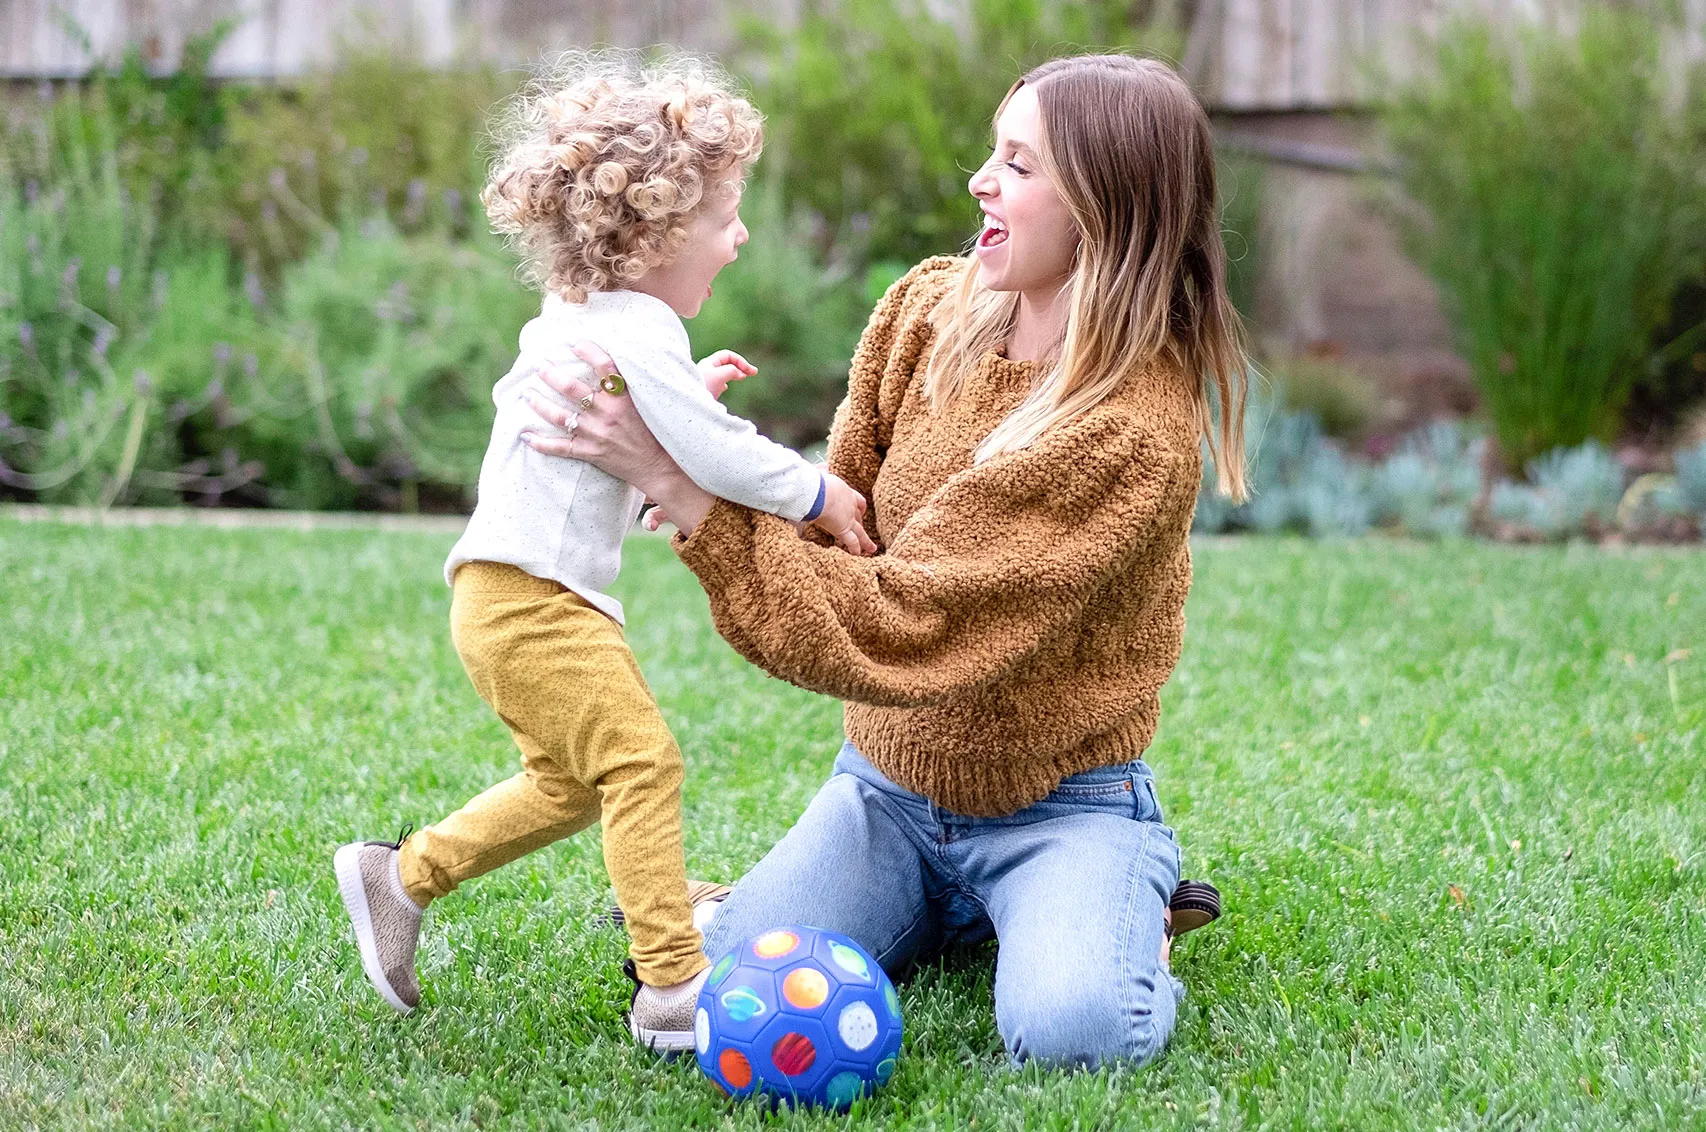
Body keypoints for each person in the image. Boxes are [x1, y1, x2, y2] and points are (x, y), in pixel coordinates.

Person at [526, 52, 1246, 1068]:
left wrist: (678, 487)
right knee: (709, 989)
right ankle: (936, 911)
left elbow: (904, 624)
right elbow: (842, 526)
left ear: (1107, 206)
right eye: (991, 153)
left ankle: (1127, 912)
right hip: (885, 792)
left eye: (1019, 165)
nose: (979, 182)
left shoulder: (1127, 433)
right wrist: (698, 446)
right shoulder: (925, 312)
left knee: (1077, 1034)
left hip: (1061, 808)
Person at [330, 50, 875, 1050]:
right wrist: (818, 491)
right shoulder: (638, 327)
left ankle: (398, 878)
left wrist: (680, 398)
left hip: (504, 598)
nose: (741, 237)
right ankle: (671, 985)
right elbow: (716, 456)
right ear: (656, 237)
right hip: (532, 602)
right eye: (725, 220)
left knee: (570, 786)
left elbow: (609, 453)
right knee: (641, 764)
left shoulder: (584, 319)